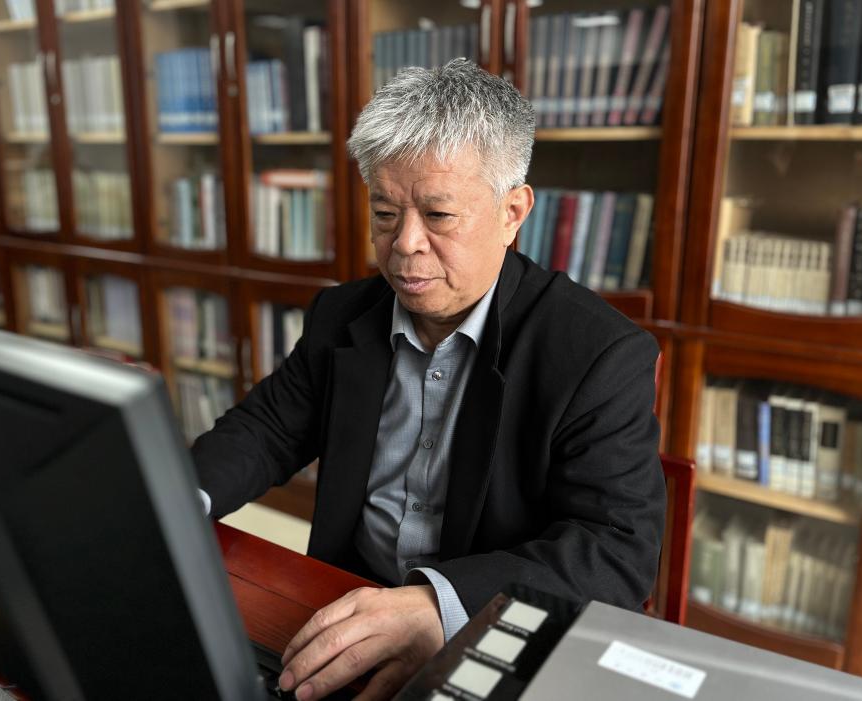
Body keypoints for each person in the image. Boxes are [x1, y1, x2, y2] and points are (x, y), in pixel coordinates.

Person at [192, 58, 665, 701]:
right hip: (344, 608)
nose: (404, 244)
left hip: (490, 631)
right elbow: (267, 430)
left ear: (512, 211)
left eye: (439, 215)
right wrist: (176, 502)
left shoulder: (597, 353)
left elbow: (614, 552)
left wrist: (438, 604)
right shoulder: (342, 315)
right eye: (385, 213)